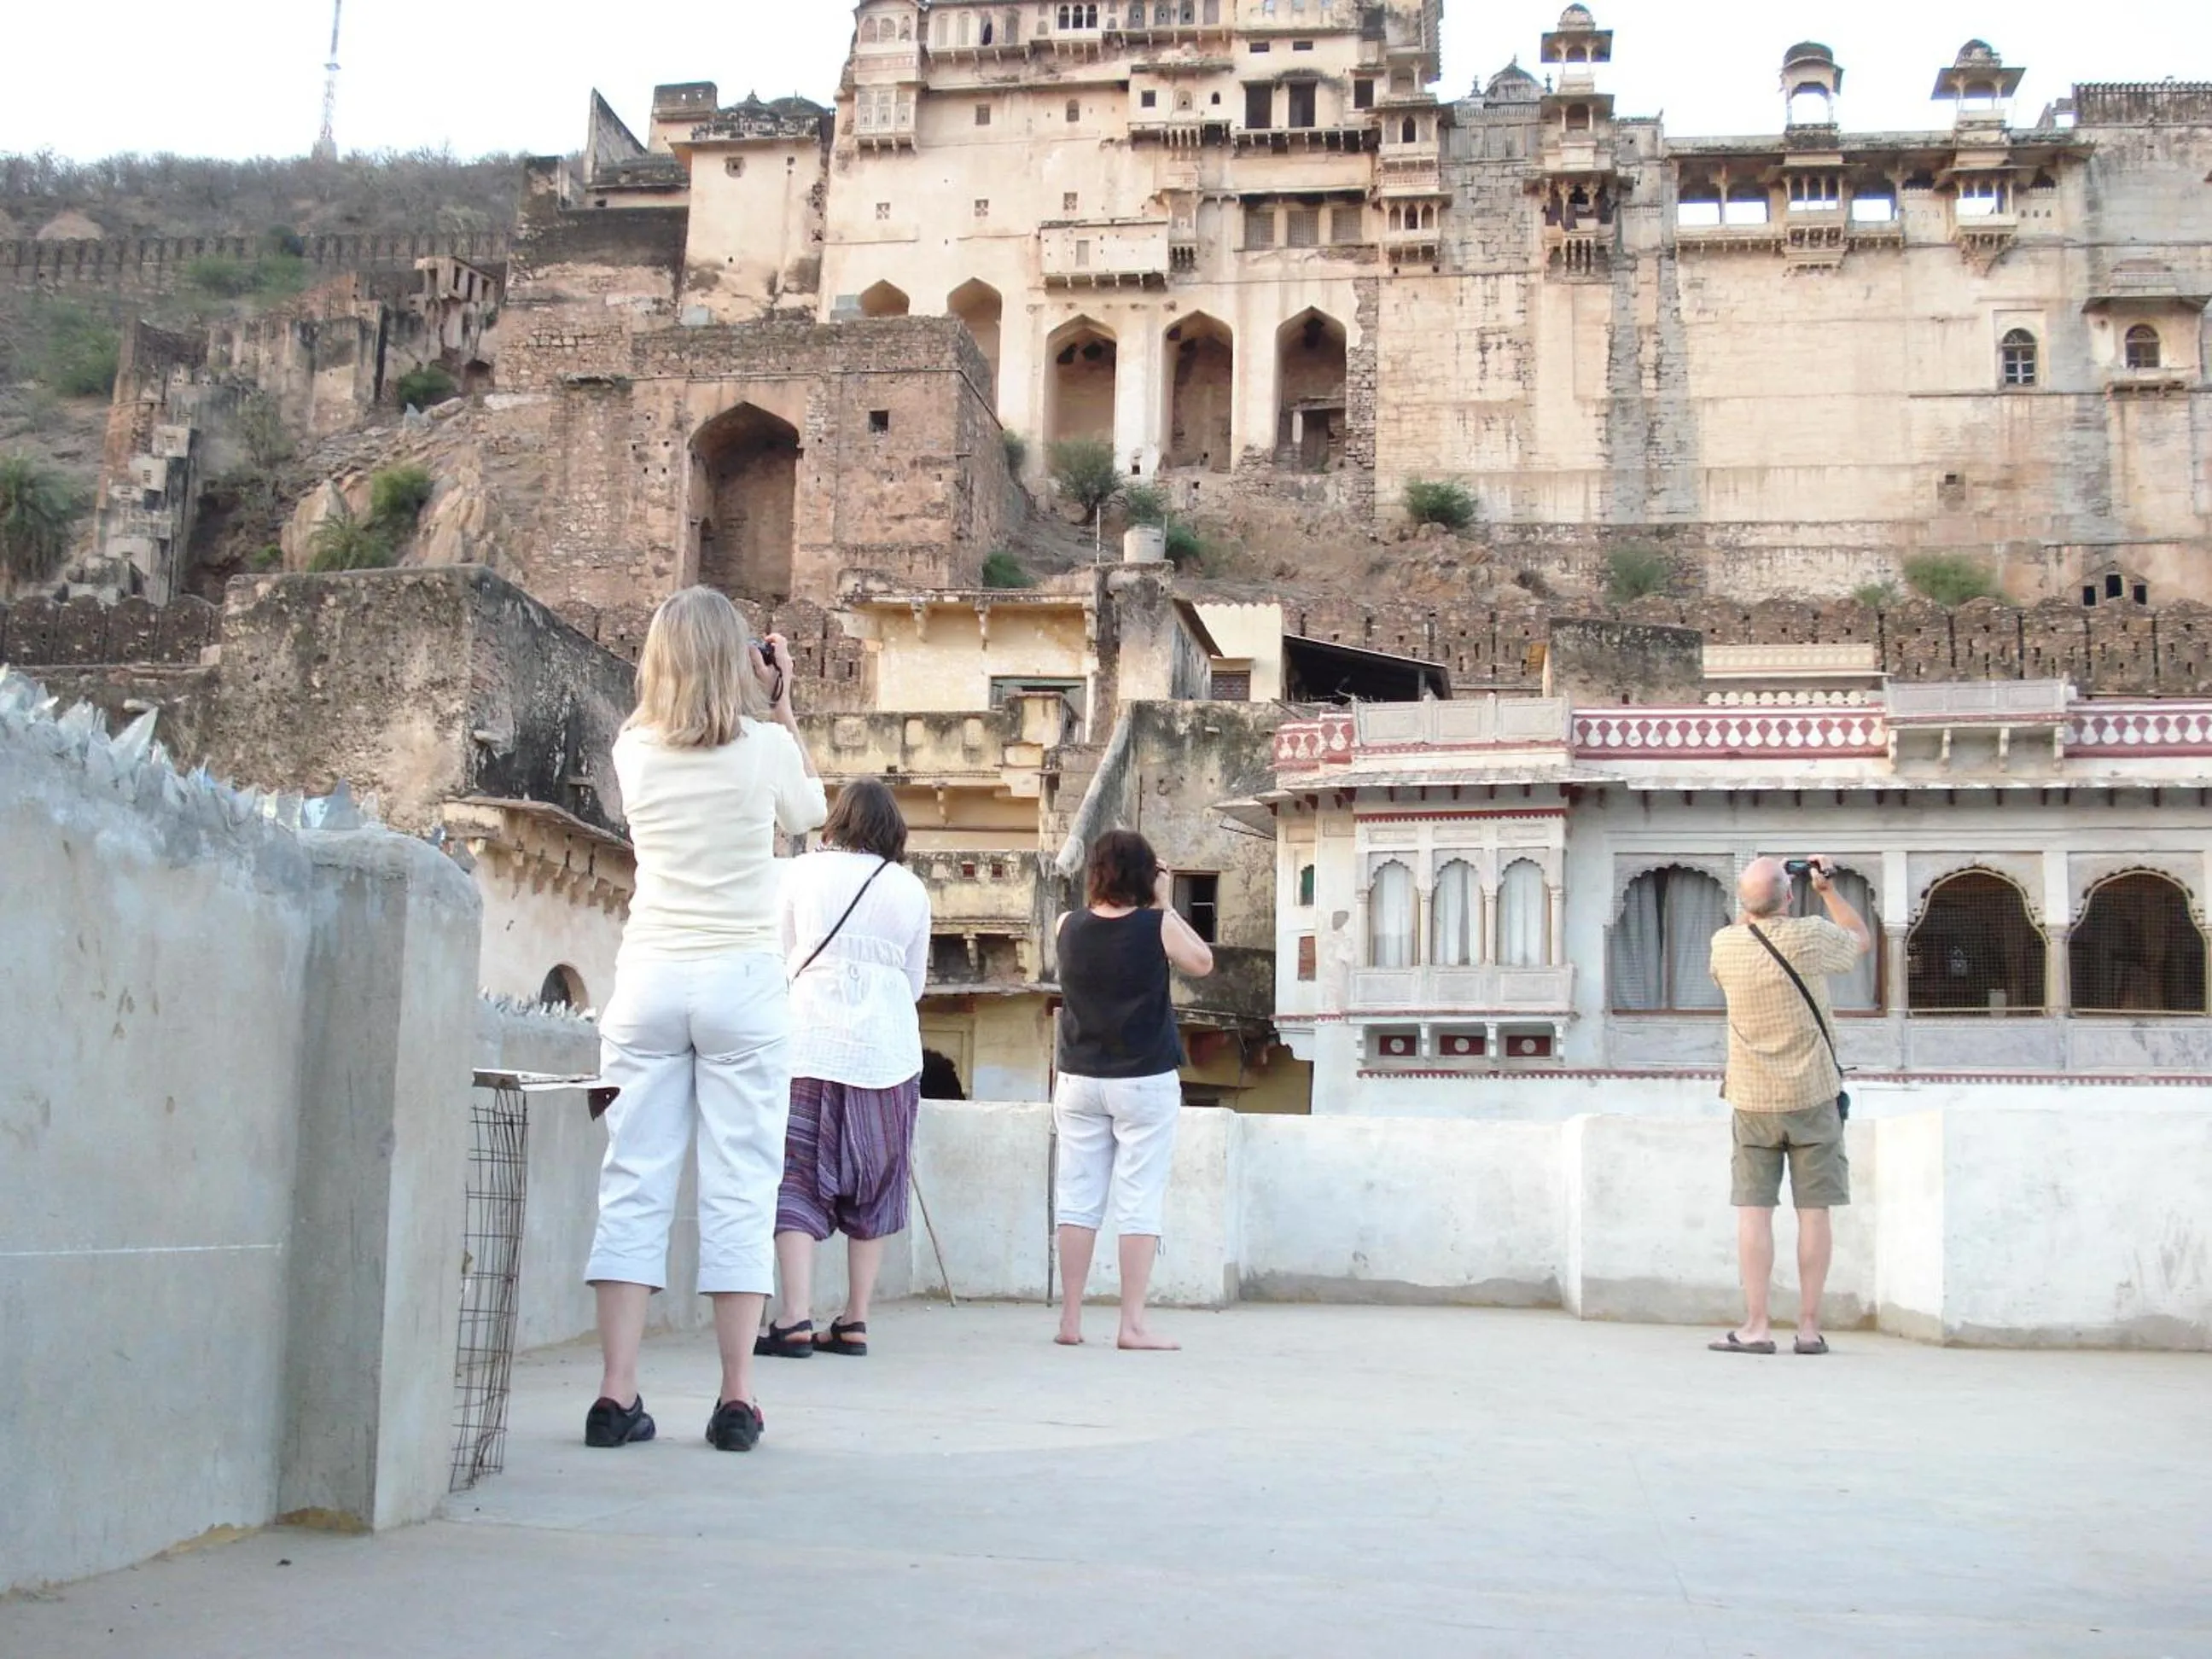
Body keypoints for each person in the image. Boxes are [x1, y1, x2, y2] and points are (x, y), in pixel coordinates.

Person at [583, 587, 826, 1452]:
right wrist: (784, 701)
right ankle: (735, 1396)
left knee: (634, 1181)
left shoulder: (632, 749)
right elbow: (810, 816)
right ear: (738, 661)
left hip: (648, 976)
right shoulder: (762, 746)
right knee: (740, 1185)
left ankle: (615, 1395)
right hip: (741, 982)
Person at [757, 779, 932, 1359]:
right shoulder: (910, 890)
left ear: (836, 821)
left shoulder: (800, 873)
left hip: (808, 1044)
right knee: (877, 1185)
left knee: (796, 1178)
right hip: (886, 1055)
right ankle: (855, 1319)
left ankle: (795, 1318)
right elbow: (915, 984)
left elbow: (785, 957)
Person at [1051, 829, 1214, 1350]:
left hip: (1078, 1078)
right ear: (1147, 874)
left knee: (1077, 1199)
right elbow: (1202, 961)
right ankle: (1132, 1325)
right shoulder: (1157, 925)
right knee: (1138, 1200)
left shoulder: (1065, 926)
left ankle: (1070, 1320)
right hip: (1143, 1078)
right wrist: (1164, 902)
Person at [1706, 855, 1871, 1357]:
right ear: (1789, 896)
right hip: (1813, 1096)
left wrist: (1758, 897)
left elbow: (1746, 924)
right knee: (1813, 1212)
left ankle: (1756, 1325)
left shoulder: (1725, 944)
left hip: (1753, 1099)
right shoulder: (1810, 935)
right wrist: (1825, 890)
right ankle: (1808, 1328)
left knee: (1754, 1213)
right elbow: (1860, 939)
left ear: (1743, 902)